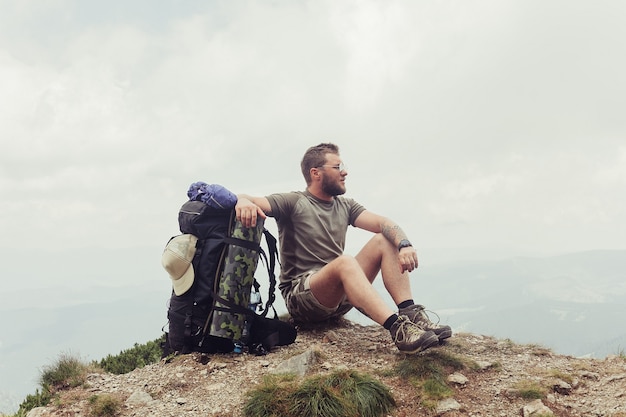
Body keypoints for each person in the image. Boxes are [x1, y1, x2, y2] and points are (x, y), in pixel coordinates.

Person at [235, 143, 451, 353]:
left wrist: (404, 244)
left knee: (384, 239)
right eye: (338, 167)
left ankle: (411, 314)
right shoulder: (294, 202)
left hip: (338, 297)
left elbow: (383, 223)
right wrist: (243, 202)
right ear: (316, 173)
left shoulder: (345, 205)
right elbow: (246, 197)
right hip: (302, 298)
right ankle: (399, 329)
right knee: (346, 262)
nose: (345, 172)